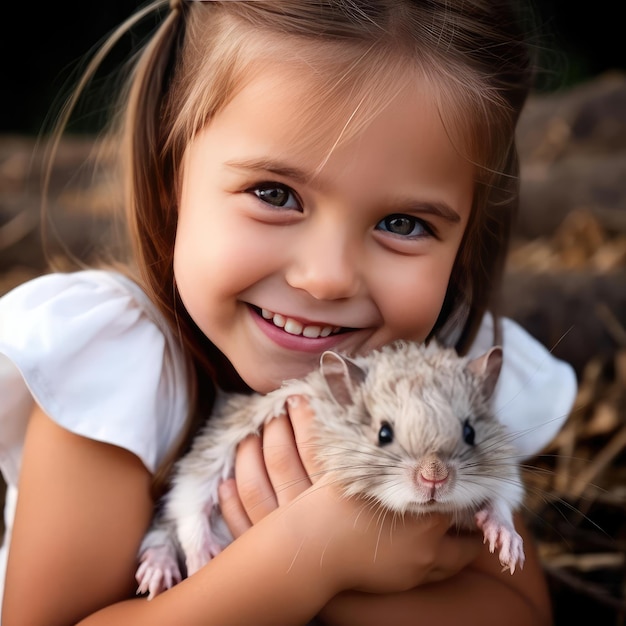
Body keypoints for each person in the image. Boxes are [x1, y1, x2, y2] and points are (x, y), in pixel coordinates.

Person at [0, 1, 577, 624]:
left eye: (402, 223)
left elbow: (520, 610)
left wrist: (351, 581)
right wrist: (308, 556)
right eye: (274, 195)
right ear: (174, 177)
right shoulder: (116, 368)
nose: (325, 277)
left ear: (465, 237)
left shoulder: (447, 380)